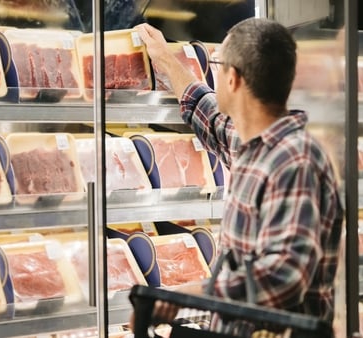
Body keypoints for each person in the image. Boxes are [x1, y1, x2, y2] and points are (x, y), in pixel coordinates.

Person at [133, 18, 345, 330]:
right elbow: (209, 115)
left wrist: (190, 295)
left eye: (217, 65)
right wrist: (165, 60)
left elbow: (283, 278)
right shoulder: (254, 145)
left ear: (232, 78)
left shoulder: (295, 161)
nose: (215, 73)